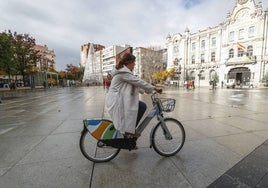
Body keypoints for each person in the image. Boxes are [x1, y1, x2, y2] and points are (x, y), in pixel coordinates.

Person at [106, 53, 161, 138]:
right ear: (129, 62)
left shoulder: (123, 72)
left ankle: (129, 132)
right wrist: (154, 88)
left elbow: (135, 85)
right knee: (142, 106)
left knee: (141, 106)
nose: (134, 65)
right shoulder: (123, 72)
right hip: (117, 101)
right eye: (133, 62)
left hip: (118, 99)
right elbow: (138, 82)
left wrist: (150, 91)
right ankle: (130, 131)